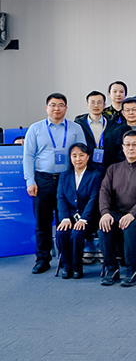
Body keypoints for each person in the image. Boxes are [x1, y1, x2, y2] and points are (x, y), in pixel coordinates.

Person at [23, 93, 87, 274]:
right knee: (42, 223)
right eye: (52, 105)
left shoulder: (75, 128)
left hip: (67, 180)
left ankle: (68, 260)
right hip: (42, 180)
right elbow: (28, 156)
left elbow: (82, 154)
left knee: (66, 221)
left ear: (66, 108)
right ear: (46, 108)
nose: (56, 108)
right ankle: (42, 260)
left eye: (60, 105)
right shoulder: (35, 128)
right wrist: (30, 181)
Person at [98, 130, 136, 287]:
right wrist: (105, 213)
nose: (131, 148)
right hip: (118, 213)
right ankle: (111, 268)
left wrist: (132, 214)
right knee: (104, 226)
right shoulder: (113, 169)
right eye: (128, 145)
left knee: (131, 227)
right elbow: (104, 192)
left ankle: (133, 270)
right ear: (123, 147)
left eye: (135, 145)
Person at [55, 143, 103, 279]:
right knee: (61, 233)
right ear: (70, 158)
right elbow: (60, 198)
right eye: (74, 156)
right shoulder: (64, 176)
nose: (78, 159)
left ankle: (77, 268)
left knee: (77, 234)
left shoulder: (95, 175)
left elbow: (94, 199)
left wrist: (83, 219)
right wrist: (64, 218)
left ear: (88, 157)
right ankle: (67, 267)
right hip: (69, 217)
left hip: (89, 218)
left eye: (81, 155)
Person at [103, 98, 136, 167]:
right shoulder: (115, 134)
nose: (131, 113)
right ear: (123, 113)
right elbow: (110, 159)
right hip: (122, 170)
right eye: (127, 110)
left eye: (134, 109)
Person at [74, 91, 109, 160]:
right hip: (86, 163)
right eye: (92, 102)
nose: (96, 105)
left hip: (108, 163)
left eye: (99, 102)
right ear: (87, 105)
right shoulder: (79, 125)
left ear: (104, 105)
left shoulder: (111, 125)